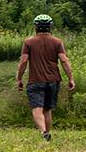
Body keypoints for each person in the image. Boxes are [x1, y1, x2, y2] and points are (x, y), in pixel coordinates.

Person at [15, 13, 75, 141]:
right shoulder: (57, 42)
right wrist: (70, 78)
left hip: (35, 80)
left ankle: (43, 132)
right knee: (47, 109)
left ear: (35, 27)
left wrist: (19, 78)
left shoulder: (29, 42)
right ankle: (47, 133)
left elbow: (24, 61)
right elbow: (64, 60)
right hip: (53, 80)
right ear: (50, 27)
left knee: (37, 108)